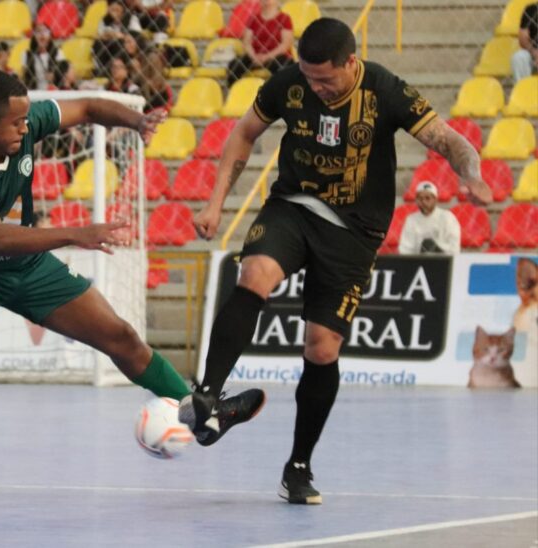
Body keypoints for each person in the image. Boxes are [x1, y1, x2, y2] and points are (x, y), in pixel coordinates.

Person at [0, 69, 265, 502]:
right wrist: (76, 234)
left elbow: (88, 107)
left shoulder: (25, 124)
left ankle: (203, 413)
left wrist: (136, 121)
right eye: (16, 122)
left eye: (27, 120)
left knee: (121, 336)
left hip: (28, 265)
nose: (26, 127)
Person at [180, 18, 492, 505]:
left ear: (351, 62)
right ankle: (209, 395)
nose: (316, 88)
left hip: (354, 231)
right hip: (294, 206)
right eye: (309, 78)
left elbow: (448, 139)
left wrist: (470, 174)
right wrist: (216, 203)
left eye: (325, 79)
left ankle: (298, 466)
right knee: (255, 272)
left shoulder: (385, 89)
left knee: (322, 348)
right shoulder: (291, 83)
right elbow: (244, 133)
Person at [227, 0, 294, 86]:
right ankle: (236, 92)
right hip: (255, 55)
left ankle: (279, 93)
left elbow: (286, 44)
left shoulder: (284, 18)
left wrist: (267, 57)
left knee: (285, 66)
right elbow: (246, 42)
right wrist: (253, 56)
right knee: (234, 65)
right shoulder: (253, 19)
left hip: (276, 55)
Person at [398, 181, 461, 254]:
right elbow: (405, 249)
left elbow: (454, 247)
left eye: (427, 198)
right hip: (418, 259)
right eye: (420, 199)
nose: (424, 202)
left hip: (443, 257)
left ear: (435, 199)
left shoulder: (447, 217)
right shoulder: (411, 220)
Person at [93, 0, 142, 76]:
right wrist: (117, 35)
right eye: (113, 10)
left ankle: (127, 66)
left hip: (127, 49)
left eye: (117, 10)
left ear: (122, 12)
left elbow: (136, 36)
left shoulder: (130, 19)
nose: (115, 13)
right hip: (109, 50)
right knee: (99, 43)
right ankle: (106, 70)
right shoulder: (104, 20)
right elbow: (102, 36)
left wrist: (120, 36)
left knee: (120, 42)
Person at [22, 22, 66, 90]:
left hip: (54, 90)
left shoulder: (58, 53)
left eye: (45, 31)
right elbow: (24, 77)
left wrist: (55, 76)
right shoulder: (27, 55)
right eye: (38, 31)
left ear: (50, 36)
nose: (42, 34)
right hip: (34, 91)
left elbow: (64, 76)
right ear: (34, 36)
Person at [511, 2, 538, 82]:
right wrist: (534, 52)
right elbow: (522, 36)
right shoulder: (532, 9)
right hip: (534, 53)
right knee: (519, 57)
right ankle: (523, 88)